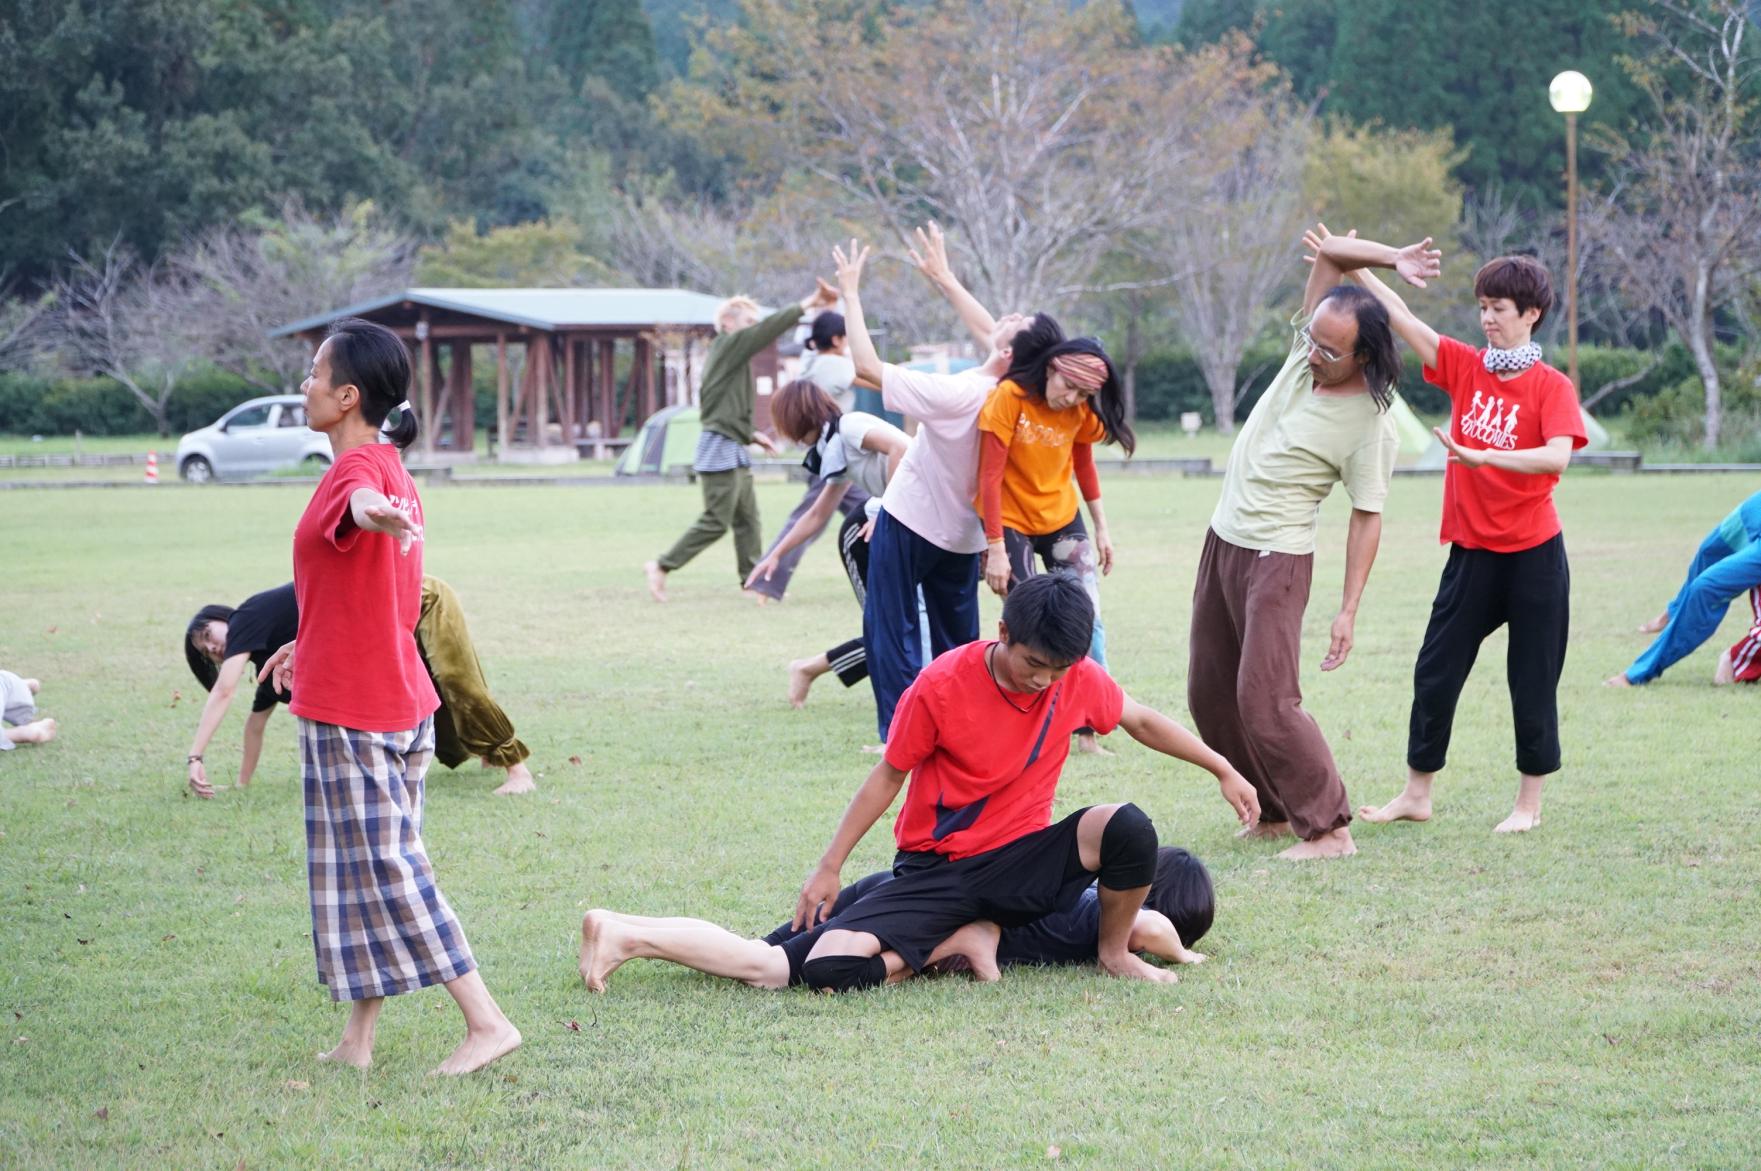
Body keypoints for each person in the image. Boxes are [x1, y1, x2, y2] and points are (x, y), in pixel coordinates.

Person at [788, 573, 1259, 992]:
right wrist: (830, 865)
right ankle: (957, 938)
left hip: (1019, 872)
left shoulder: (1077, 679)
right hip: (938, 871)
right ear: (1004, 633)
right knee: (816, 965)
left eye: (1059, 669)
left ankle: (1114, 955)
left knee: (1129, 828)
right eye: (1033, 663)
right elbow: (888, 775)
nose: (1045, 680)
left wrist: (1223, 768)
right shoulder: (941, 686)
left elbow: (1140, 721)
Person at [259, 316, 519, 1075]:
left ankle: (487, 1021)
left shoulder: (359, 474)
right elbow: (381, 592)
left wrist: (376, 514)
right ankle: (358, 1038)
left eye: (314, 373)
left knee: (387, 869)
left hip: (356, 711)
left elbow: (365, 508)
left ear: (346, 395)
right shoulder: (391, 466)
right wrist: (307, 639)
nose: (304, 384)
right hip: (395, 701)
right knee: (356, 874)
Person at [1329, 232, 1586, 835]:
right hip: (1472, 556)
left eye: (1499, 308)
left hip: (1534, 556)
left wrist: (1481, 458)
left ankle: (1528, 805)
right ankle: (1417, 793)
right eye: (1483, 306)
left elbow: (1555, 459)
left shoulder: (1552, 387)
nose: (1487, 318)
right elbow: (1403, 318)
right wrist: (1354, 266)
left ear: (1531, 314)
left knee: (1532, 678)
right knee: (1436, 670)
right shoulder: (1467, 367)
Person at [1186, 225, 1417, 861]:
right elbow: (1334, 253)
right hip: (1223, 541)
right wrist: (1393, 258)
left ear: (1364, 356)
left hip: (1277, 558)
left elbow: (1367, 516)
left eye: (1330, 349)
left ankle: (1329, 829)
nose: (1313, 352)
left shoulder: (1371, 422)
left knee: (1266, 699)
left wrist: (1348, 610)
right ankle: (1276, 812)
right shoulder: (1302, 357)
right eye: (1312, 339)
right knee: (1209, 694)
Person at [836, 225, 1065, 743]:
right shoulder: (1016, 395)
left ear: (1010, 353)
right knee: (959, 642)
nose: (1005, 317)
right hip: (965, 537)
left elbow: (867, 368)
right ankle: (968, 727)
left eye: (1016, 323)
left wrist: (851, 293)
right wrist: (944, 279)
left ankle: (899, 733)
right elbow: (995, 332)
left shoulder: (959, 393)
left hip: (912, 520)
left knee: (890, 627)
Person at [577, 846, 1215, 992]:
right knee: (769, 969)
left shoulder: (1073, 903)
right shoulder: (1122, 918)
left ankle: (625, 925)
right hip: (917, 913)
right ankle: (628, 935)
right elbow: (1150, 930)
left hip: (901, 894)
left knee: (761, 952)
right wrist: (1183, 957)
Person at [183, 579, 536, 799]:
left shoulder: (245, 618)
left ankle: (517, 770)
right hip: (389, 624)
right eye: (206, 651)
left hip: (419, 600)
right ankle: (487, 753)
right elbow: (255, 725)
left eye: (210, 636)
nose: (214, 648)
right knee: (431, 696)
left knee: (457, 680)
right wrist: (243, 785)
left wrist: (195, 757)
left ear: (223, 618)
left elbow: (224, 691)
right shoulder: (272, 662)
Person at [976, 335, 1135, 754]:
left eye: (1084, 393)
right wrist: (994, 547)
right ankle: (1032, 721)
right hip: (1010, 521)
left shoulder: (1080, 411)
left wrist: (1101, 528)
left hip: (1061, 518)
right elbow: (988, 475)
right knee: (1034, 625)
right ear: (1051, 369)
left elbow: (1084, 465)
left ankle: (1088, 729)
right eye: (1069, 386)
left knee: (1088, 616)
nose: (1073, 398)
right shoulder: (1010, 397)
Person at [645, 281, 840, 603]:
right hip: (718, 445)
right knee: (716, 520)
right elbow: (765, 333)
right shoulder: (726, 346)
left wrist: (752, 434)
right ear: (728, 324)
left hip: (733, 444)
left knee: (748, 519)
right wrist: (808, 304)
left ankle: (751, 582)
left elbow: (720, 404)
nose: (754, 331)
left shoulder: (732, 359)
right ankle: (662, 566)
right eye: (748, 324)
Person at [741, 378, 910, 710]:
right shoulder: (831, 446)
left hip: (889, 522)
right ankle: (896, 712)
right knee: (889, 624)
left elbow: (902, 448)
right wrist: (775, 555)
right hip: (864, 534)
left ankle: (811, 667)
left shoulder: (850, 426)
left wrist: (887, 509)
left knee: (903, 624)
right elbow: (818, 513)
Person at [747, 312, 870, 602]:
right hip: (835, 455)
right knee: (812, 516)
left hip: (828, 454)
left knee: (870, 511)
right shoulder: (835, 364)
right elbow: (877, 381)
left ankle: (767, 579)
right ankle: (766, 580)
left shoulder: (811, 362)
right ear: (838, 339)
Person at [1609, 491, 1761, 688]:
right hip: (1753, 512)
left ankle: (1638, 672)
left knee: (1705, 588)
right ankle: (1673, 612)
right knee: (1708, 550)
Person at [0, 669, 54, 751]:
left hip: (16, 694)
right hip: (10, 683)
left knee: (27, 725)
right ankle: (26, 684)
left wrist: (30, 733)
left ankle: (26, 685)